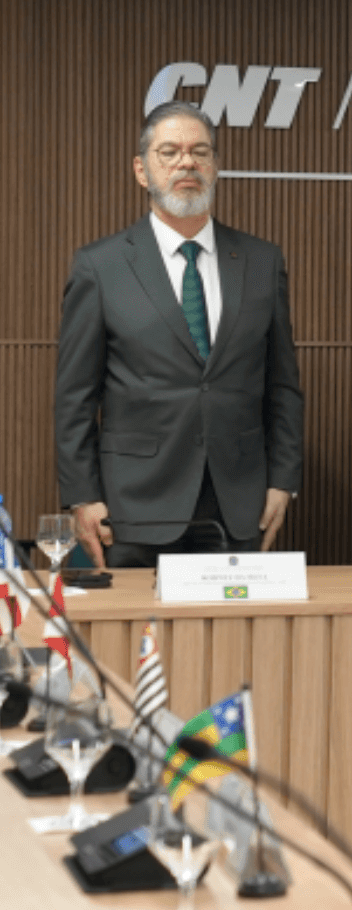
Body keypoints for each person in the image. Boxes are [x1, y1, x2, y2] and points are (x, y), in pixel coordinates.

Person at [55, 101, 305, 568]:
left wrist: (283, 481)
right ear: (141, 170)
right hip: (133, 507)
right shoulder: (100, 266)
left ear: (216, 166)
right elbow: (75, 396)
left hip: (238, 504)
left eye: (200, 152)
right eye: (169, 152)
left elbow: (283, 384)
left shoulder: (262, 261)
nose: (186, 162)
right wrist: (82, 496)